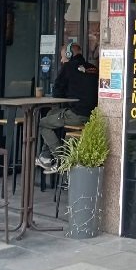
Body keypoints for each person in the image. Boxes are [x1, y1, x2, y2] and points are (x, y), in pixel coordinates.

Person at [35, 42, 98, 174]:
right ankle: (45, 157)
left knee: (42, 123)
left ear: (69, 54)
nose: (61, 60)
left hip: (77, 114)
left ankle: (61, 159)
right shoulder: (93, 68)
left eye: (63, 56)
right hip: (92, 116)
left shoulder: (68, 67)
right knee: (51, 113)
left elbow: (56, 92)